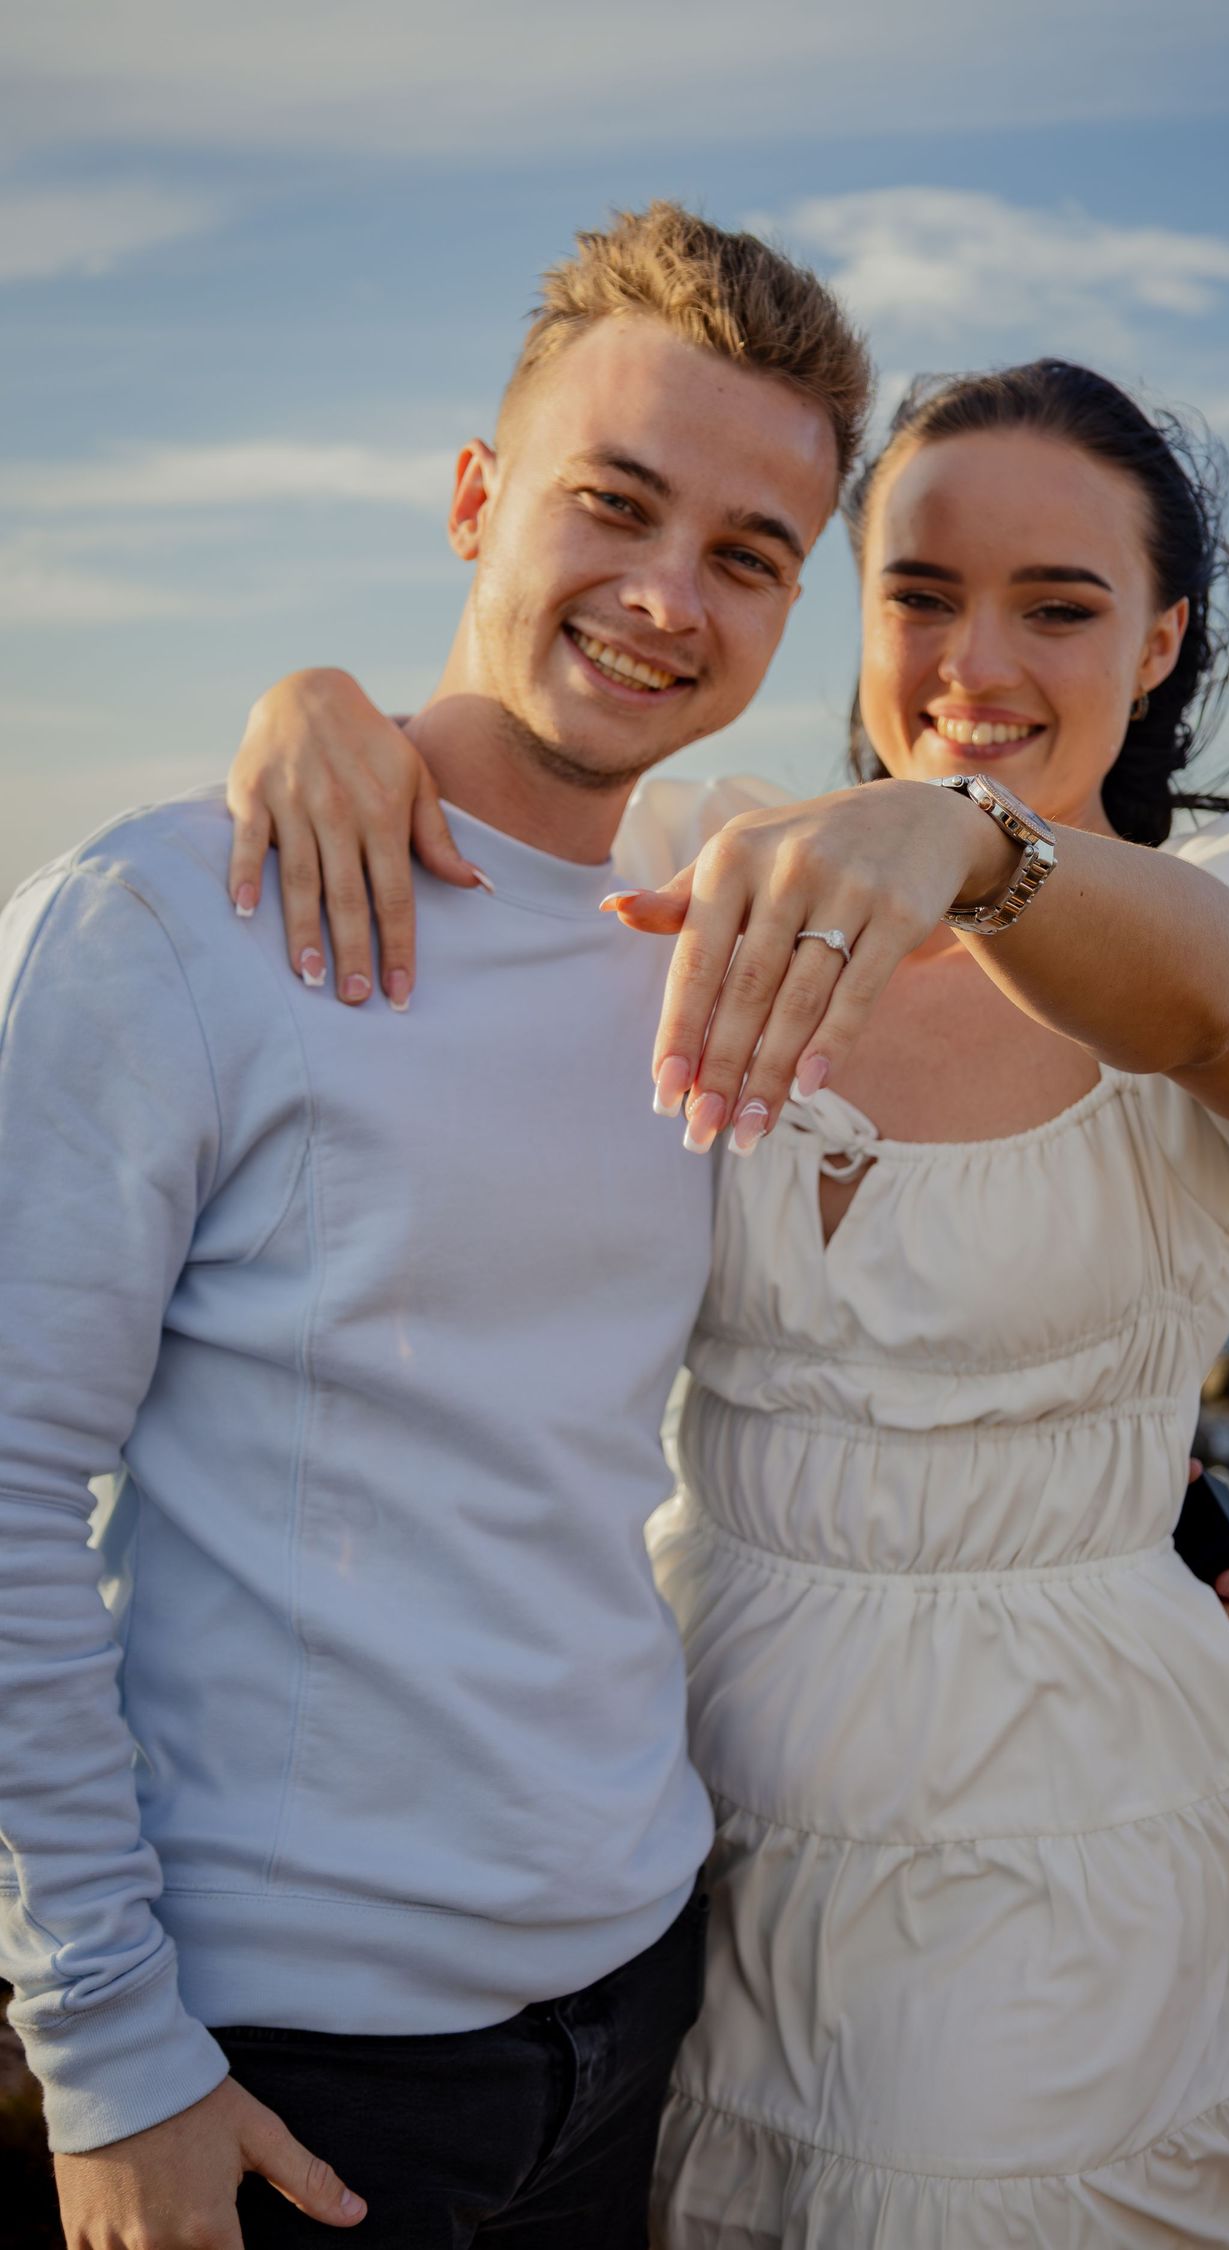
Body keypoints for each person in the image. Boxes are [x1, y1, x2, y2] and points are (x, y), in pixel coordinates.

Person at [222, 359, 1229, 2245]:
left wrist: (975, 846)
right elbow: (477, 784)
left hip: (1042, 1810)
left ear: (1165, 632)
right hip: (666, 1782)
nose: (978, 660)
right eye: (922, 592)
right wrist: (310, 711)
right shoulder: (698, 859)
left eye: (1060, 604)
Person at [0, 203, 872, 2250]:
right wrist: (111, 2047)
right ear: (477, 501)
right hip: (291, 2073)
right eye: (615, 505)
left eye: (749, 556)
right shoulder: (170, 924)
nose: (670, 596)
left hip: (637, 2004)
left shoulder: (709, 936)